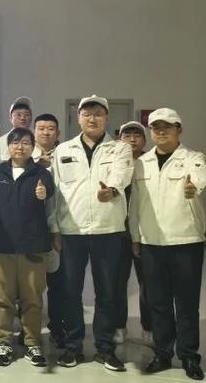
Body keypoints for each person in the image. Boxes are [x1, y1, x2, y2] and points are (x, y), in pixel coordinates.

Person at [52, 95, 133, 371]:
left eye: (98, 113)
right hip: (72, 231)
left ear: (107, 118)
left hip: (107, 229)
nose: (92, 118)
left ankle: (105, 348)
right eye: (87, 113)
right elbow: (56, 192)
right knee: (70, 291)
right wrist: (55, 228)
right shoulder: (63, 150)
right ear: (78, 118)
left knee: (107, 292)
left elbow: (122, 175)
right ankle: (73, 347)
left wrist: (111, 189)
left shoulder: (119, 149)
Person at [129, 108, 205, 380]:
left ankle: (189, 355)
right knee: (158, 303)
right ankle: (162, 353)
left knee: (186, 304)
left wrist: (193, 188)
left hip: (186, 240)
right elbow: (135, 204)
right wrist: (135, 237)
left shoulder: (193, 158)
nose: (161, 132)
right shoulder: (142, 163)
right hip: (152, 242)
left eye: (168, 127)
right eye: (156, 127)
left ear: (179, 130)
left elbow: (200, 179)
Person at [0, 128, 55, 367]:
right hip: (3, 246)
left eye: (25, 143)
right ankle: (4, 343)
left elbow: (50, 190)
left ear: (33, 147)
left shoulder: (41, 173)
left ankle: (32, 343)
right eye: (15, 143)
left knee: (32, 297)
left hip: (33, 246)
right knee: (3, 298)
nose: (20, 147)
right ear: (8, 146)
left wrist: (44, 192)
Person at [114, 121, 152, 346]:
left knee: (148, 284)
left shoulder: (150, 162)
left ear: (144, 140)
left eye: (137, 135)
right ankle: (119, 326)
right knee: (117, 283)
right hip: (119, 231)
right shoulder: (113, 162)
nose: (132, 139)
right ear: (120, 140)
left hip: (146, 232)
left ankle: (149, 328)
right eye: (127, 135)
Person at [32, 113, 65, 348]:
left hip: (61, 228)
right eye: (41, 128)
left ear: (58, 133)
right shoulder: (24, 156)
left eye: (50, 128)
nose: (45, 132)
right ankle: (30, 330)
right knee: (31, 285)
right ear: (34, 132)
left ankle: (57, 327)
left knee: (58, 282)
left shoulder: (66, 155)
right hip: (33, 230)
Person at [0, 97, 32, 163]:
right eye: (18, 115)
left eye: (26, 115)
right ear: (11, 118)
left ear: (31, 118)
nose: (22, 118)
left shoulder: (37, 141)